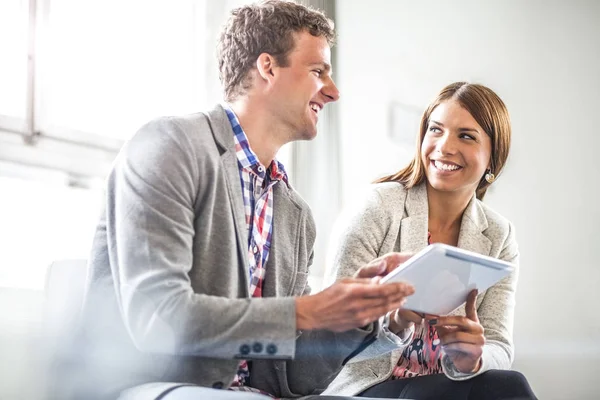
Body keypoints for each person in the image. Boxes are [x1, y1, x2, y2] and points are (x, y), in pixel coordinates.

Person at [51, 1, 416, 400]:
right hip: (141, 386)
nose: (333, 91)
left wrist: (359, 318)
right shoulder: (170, 146)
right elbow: (157, 318)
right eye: (318, 71)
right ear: (268, 67)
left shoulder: (296, 217)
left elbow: (290, 380)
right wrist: (306, 310)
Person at [321, 82, 538, 399]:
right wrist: (393, 323)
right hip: (367, 385)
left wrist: (474, 358)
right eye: (435, 130)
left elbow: (499, 345)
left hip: (444, 386)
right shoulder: (378, 208)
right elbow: (329, 328)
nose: (444, 146)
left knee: (511, 384)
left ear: (493, 158)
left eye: (466, 136)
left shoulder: (498, 234)